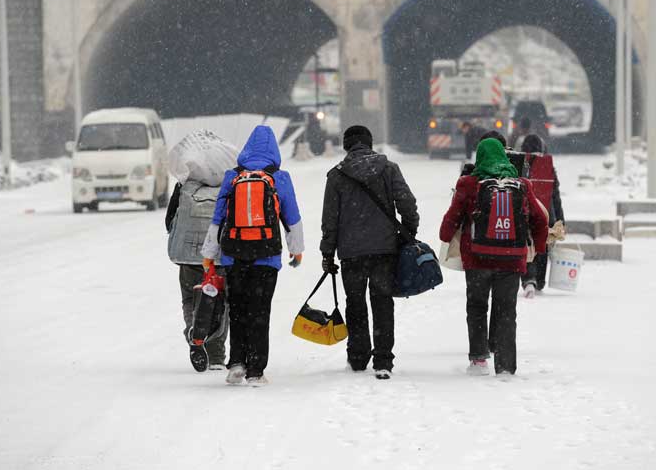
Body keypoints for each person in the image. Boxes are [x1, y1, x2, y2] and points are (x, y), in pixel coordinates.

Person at [201, 125, 304, 386]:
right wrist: (296, 250)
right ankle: (256, 370)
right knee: (260, 312)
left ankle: (236, 363)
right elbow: (292, 218)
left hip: (234, 256)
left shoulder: (231, 176)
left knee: (237, 310)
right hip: (266, 257)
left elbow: (217, 219)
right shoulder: (279, 177)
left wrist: (209, 254)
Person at [439, 138, 548, 376]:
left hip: (477, 259)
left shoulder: (469, 183)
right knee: (507, 310)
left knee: (477, 306)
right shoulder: (522, 184)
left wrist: (446, 236)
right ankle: (506, 365)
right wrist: (537, 249)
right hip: (512, 259)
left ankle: (479, 360)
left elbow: (451, 220)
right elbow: (541, 218)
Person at [320, 125, 419, 380]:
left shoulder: (337, 176)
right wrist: (407, 234)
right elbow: (407, 203)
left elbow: (330, 220)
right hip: (385, 249)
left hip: (351, 252)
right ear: (369, 143)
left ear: (346, 146)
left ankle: (358, 356)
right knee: (383, 302)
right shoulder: (388, 169)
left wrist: (327, 253)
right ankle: (383, 359)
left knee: (355, 303)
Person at [166, 179, 229, 372]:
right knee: (220, 300)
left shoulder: (184, 185)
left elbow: (170, 221)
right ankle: (216, 353)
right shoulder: (229, 184)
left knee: (189, 299)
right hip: (218, 254)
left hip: (188, 255)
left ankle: (194, 333)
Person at [519, 134, 565, 296]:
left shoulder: (520, 164)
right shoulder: (548, 167)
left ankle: (528, 279)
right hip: (546, 213)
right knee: (542, 245)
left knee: (528, 245)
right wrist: (560, 219)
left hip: (526, 213)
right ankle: (539, 279)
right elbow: (555, 196)